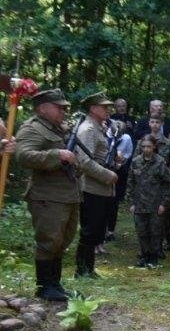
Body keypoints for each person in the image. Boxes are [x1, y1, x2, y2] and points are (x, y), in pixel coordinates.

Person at [14, 89, 78, 301]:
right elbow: (23, 156)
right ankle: (44, 287)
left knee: (62, 240)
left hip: (67, 194)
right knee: (48, 241)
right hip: (47, 196)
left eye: (64, 107)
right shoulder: (32, 128)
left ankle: (55, 284)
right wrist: (56, 155)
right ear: (42, 108)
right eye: (58, 107)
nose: (63, 111)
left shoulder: (59, 129)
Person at [74, 92, 120, 279]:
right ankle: (82, 271)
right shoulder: (88, 129)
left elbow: (98, 156)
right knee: (90, 230)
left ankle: (88, 269)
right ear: (93, 108)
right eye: (104, 107)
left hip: (101, 187)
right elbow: (84, 161)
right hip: (91, 187)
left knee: (97, 229)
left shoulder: (98, 128)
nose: (108, 110)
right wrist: (108, 175)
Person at [126, 135, 170, 268]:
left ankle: (154, 257)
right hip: (139, 203)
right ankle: (144, 255)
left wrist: (163, 203)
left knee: (155, 232)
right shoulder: (136, 161)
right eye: (143, 146)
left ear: (154, 147)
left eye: (149, 147)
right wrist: (131, 203)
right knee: (142, 231)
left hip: (155, 204)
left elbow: (168, 184)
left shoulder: (160, 162)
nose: (146, 149)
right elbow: (130, 183)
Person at [104, 120, 134, 244]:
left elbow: (129, 153)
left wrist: (122, 161)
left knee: (114, 202)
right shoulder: (104, 136)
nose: (118, 136)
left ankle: (110, 230)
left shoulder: (126, 139)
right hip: (104, 171)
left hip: (119, 173)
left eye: (120, 134)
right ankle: (102, 230)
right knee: (103, 201)